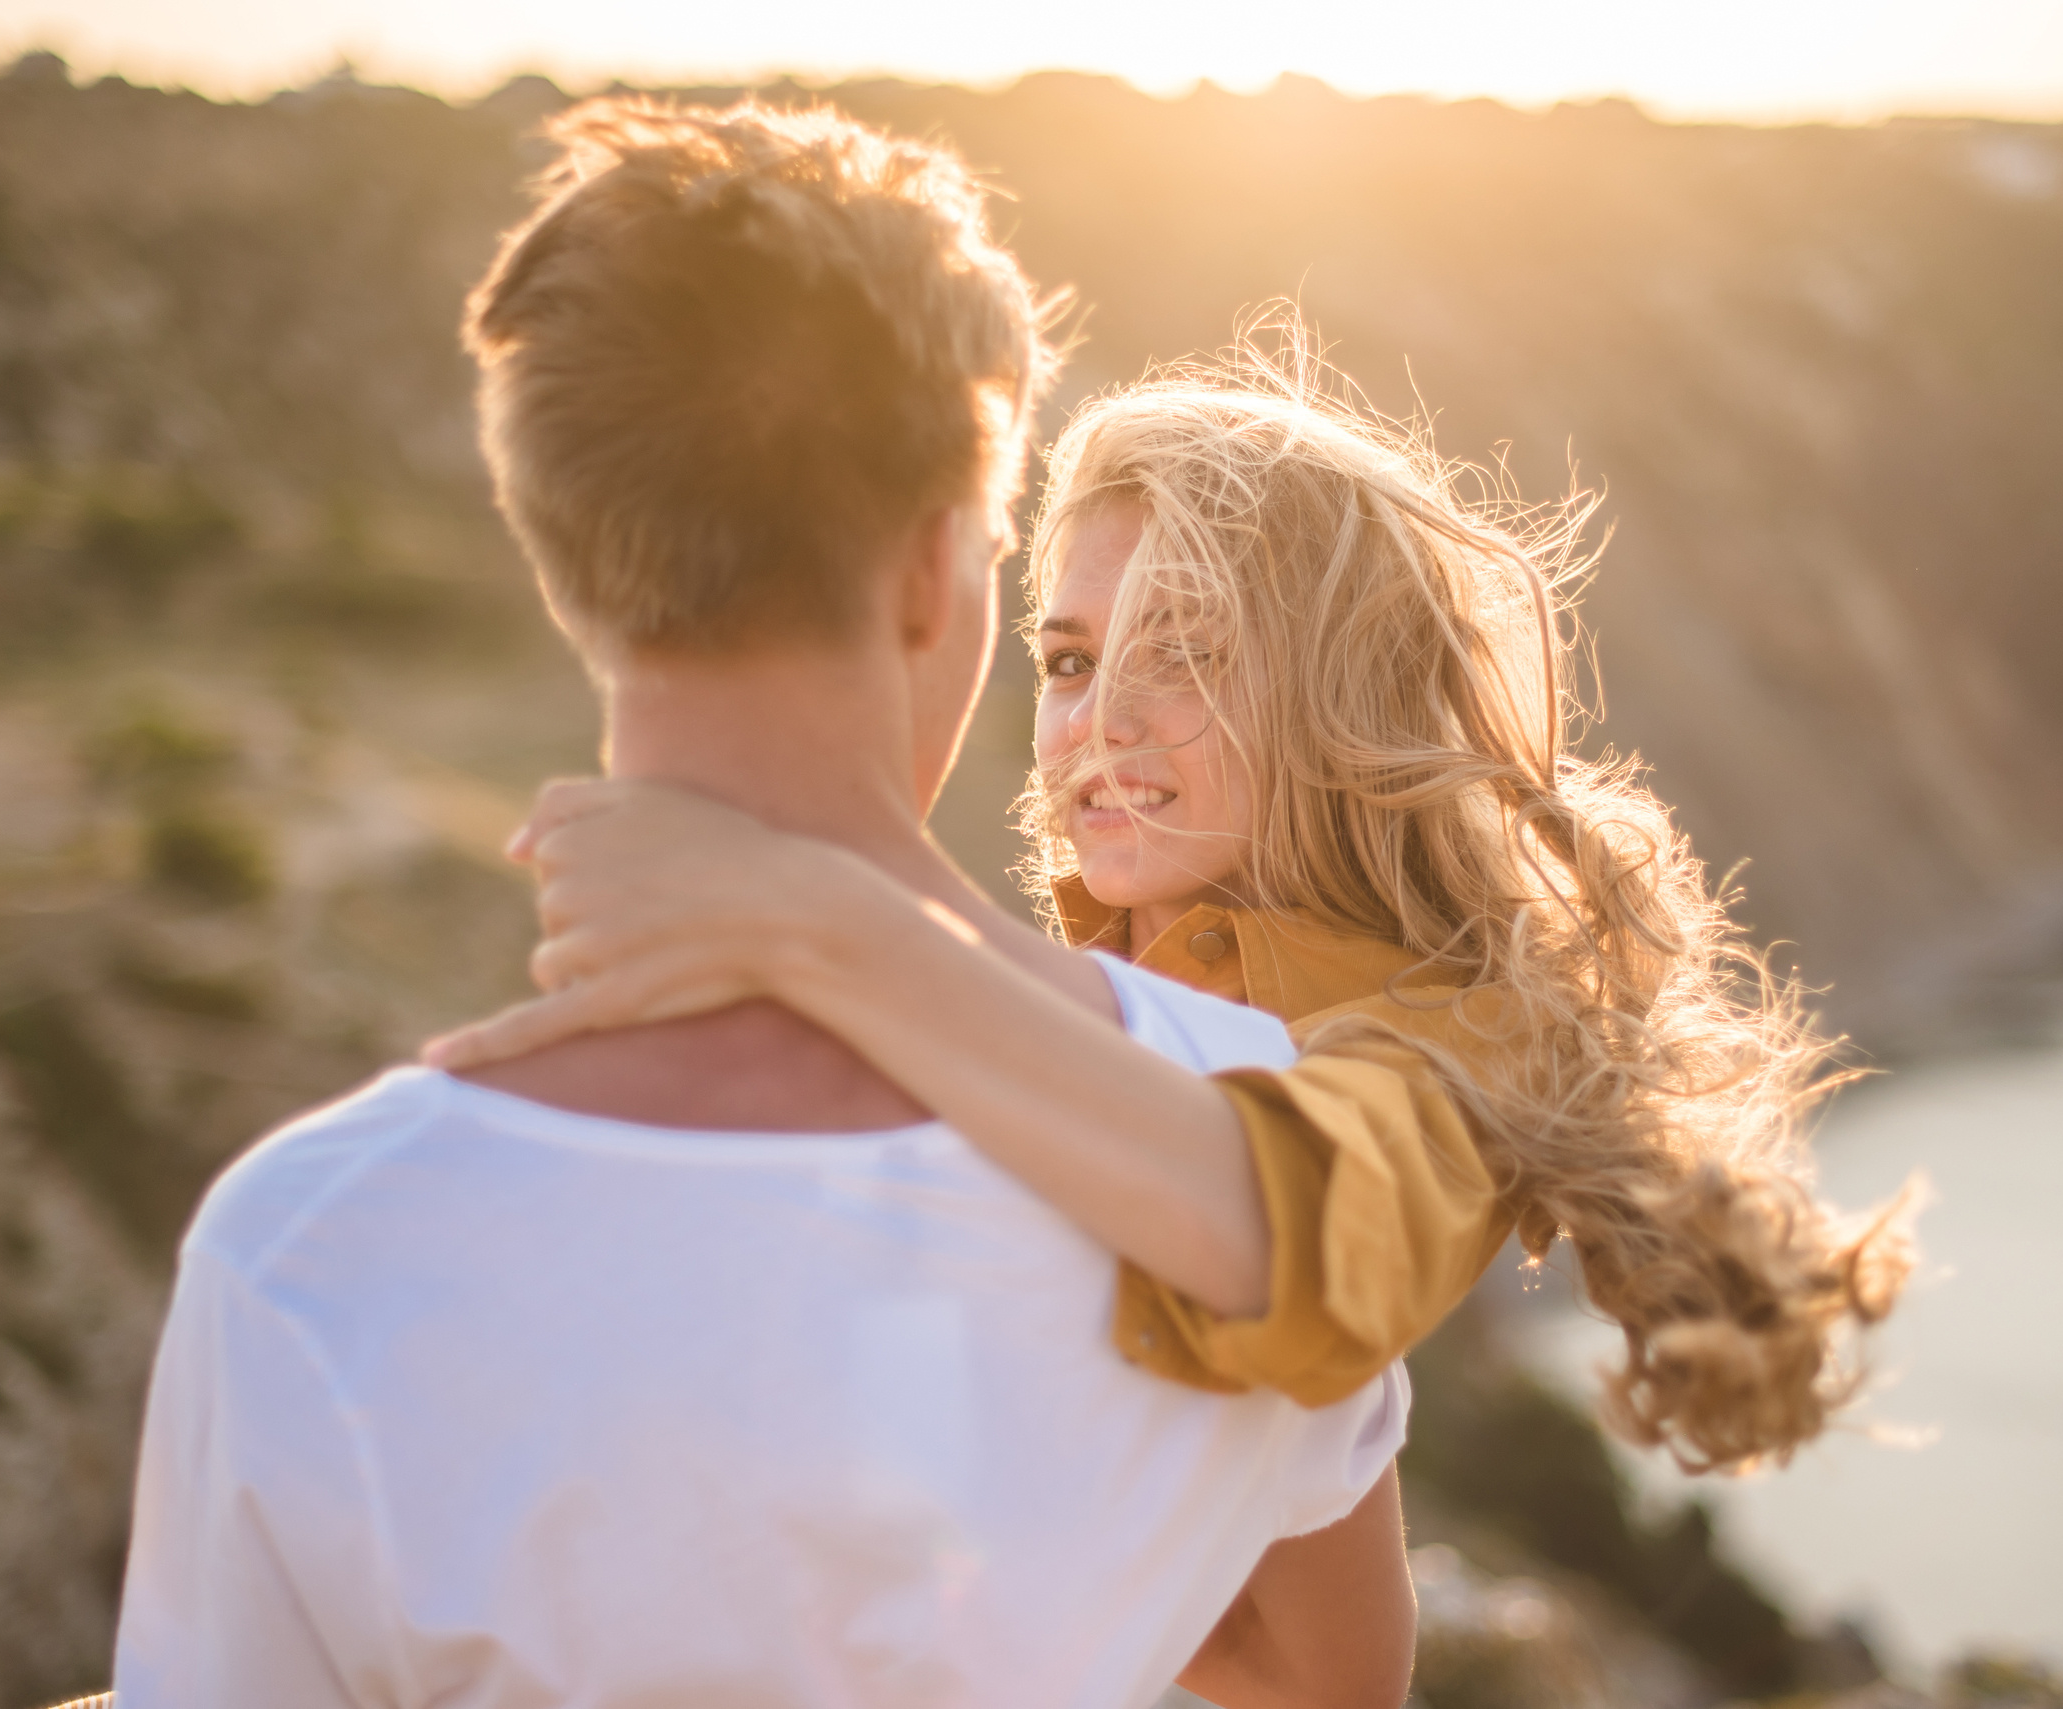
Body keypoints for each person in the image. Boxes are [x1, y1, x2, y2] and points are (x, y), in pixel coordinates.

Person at [112, 98, 1417, 1709]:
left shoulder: (304, 1255)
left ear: (568, 557)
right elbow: (1330, 1677)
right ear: (944, 565)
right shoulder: (1243, 1128)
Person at [426, 323, 1922, 1479]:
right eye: (1072, 661)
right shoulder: (1052, 969)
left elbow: (1285, 1254)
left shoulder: (1458, 1034)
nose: (1100, 727)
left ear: (1345, 701)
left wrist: (811, 912)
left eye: (1189, 654)